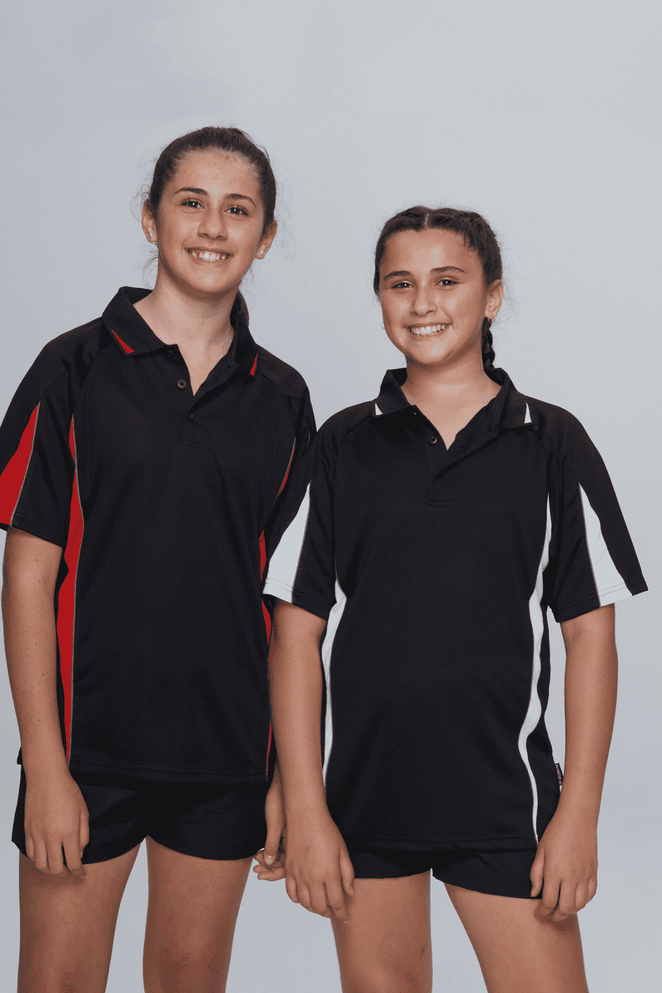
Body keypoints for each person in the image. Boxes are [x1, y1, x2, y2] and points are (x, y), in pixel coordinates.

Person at [255, 206, 647, 993]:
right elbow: (294, 636)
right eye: (400, 283)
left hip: (505, 798)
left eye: (447, 280)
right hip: (365, 796)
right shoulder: (341, 445)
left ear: (492, 296)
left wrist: (578, 818)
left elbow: (591, 640)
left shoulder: (552, 443)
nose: (423, 301)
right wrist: (307, 806)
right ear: (379, 297)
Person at [0, 126, 313, 993]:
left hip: (224, 760)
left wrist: (288, 773)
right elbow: (26, 576)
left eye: (238, 209)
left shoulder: (283, 396)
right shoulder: (73, 367)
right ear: (151, 219)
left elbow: (293, 610)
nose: (213, 226)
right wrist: (47, 765)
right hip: (85, 753)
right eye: (191, 202)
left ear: (266, 235)